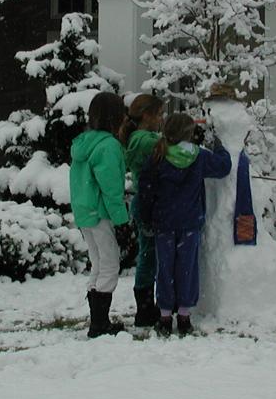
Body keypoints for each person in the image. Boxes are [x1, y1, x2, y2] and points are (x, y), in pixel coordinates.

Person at [136, 113, 231, 336]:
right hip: (190, 222)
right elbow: (224, 166)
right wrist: (218, 145)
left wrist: (146, 217)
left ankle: (165, 316)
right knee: (187, 268)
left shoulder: (158, 156)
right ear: (190, 133)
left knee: (165, 268)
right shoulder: (199, 157)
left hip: (164, 223)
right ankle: (185, 316)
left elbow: (146, 190)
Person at [69, 91, 130, 338]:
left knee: (98, 263)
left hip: (85, 212)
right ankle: (100, 324)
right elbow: (111, 189)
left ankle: (98, 320)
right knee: (110, 264)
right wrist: (122, 221)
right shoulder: (109, 147)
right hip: (102, 213)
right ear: (116, 116)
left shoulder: (83, 143)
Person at [122, 94, 164, 327]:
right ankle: (145, 309)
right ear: (146, 115)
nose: (161, 120)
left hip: (147, 202)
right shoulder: (142, 140)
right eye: (159, 115)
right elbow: (168, 147)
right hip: (147, 204)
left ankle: (147, 307)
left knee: (149, 254)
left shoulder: (143, 137)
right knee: (148, 257)